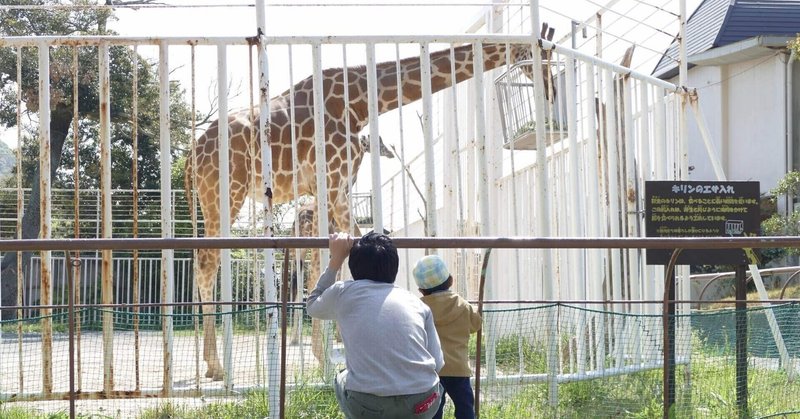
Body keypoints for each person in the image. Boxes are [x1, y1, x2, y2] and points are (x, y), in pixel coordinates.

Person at [307, 231, 444, 419]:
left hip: (369, 406)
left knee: (341, 378)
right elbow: (438, 363)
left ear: (354, 267)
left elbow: (313, 305)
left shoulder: (343, 292)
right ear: (394, 268)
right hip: (421, 403)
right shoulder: (416, 302)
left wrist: (336, 259)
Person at [413, 255, 482, 419]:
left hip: (433, 369)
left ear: (421, 290)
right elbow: (476, 325)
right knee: (465, 406)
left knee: (434, 409)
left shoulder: (420, 308)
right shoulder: (462, 305)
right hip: (459, 369)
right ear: (450, 280)